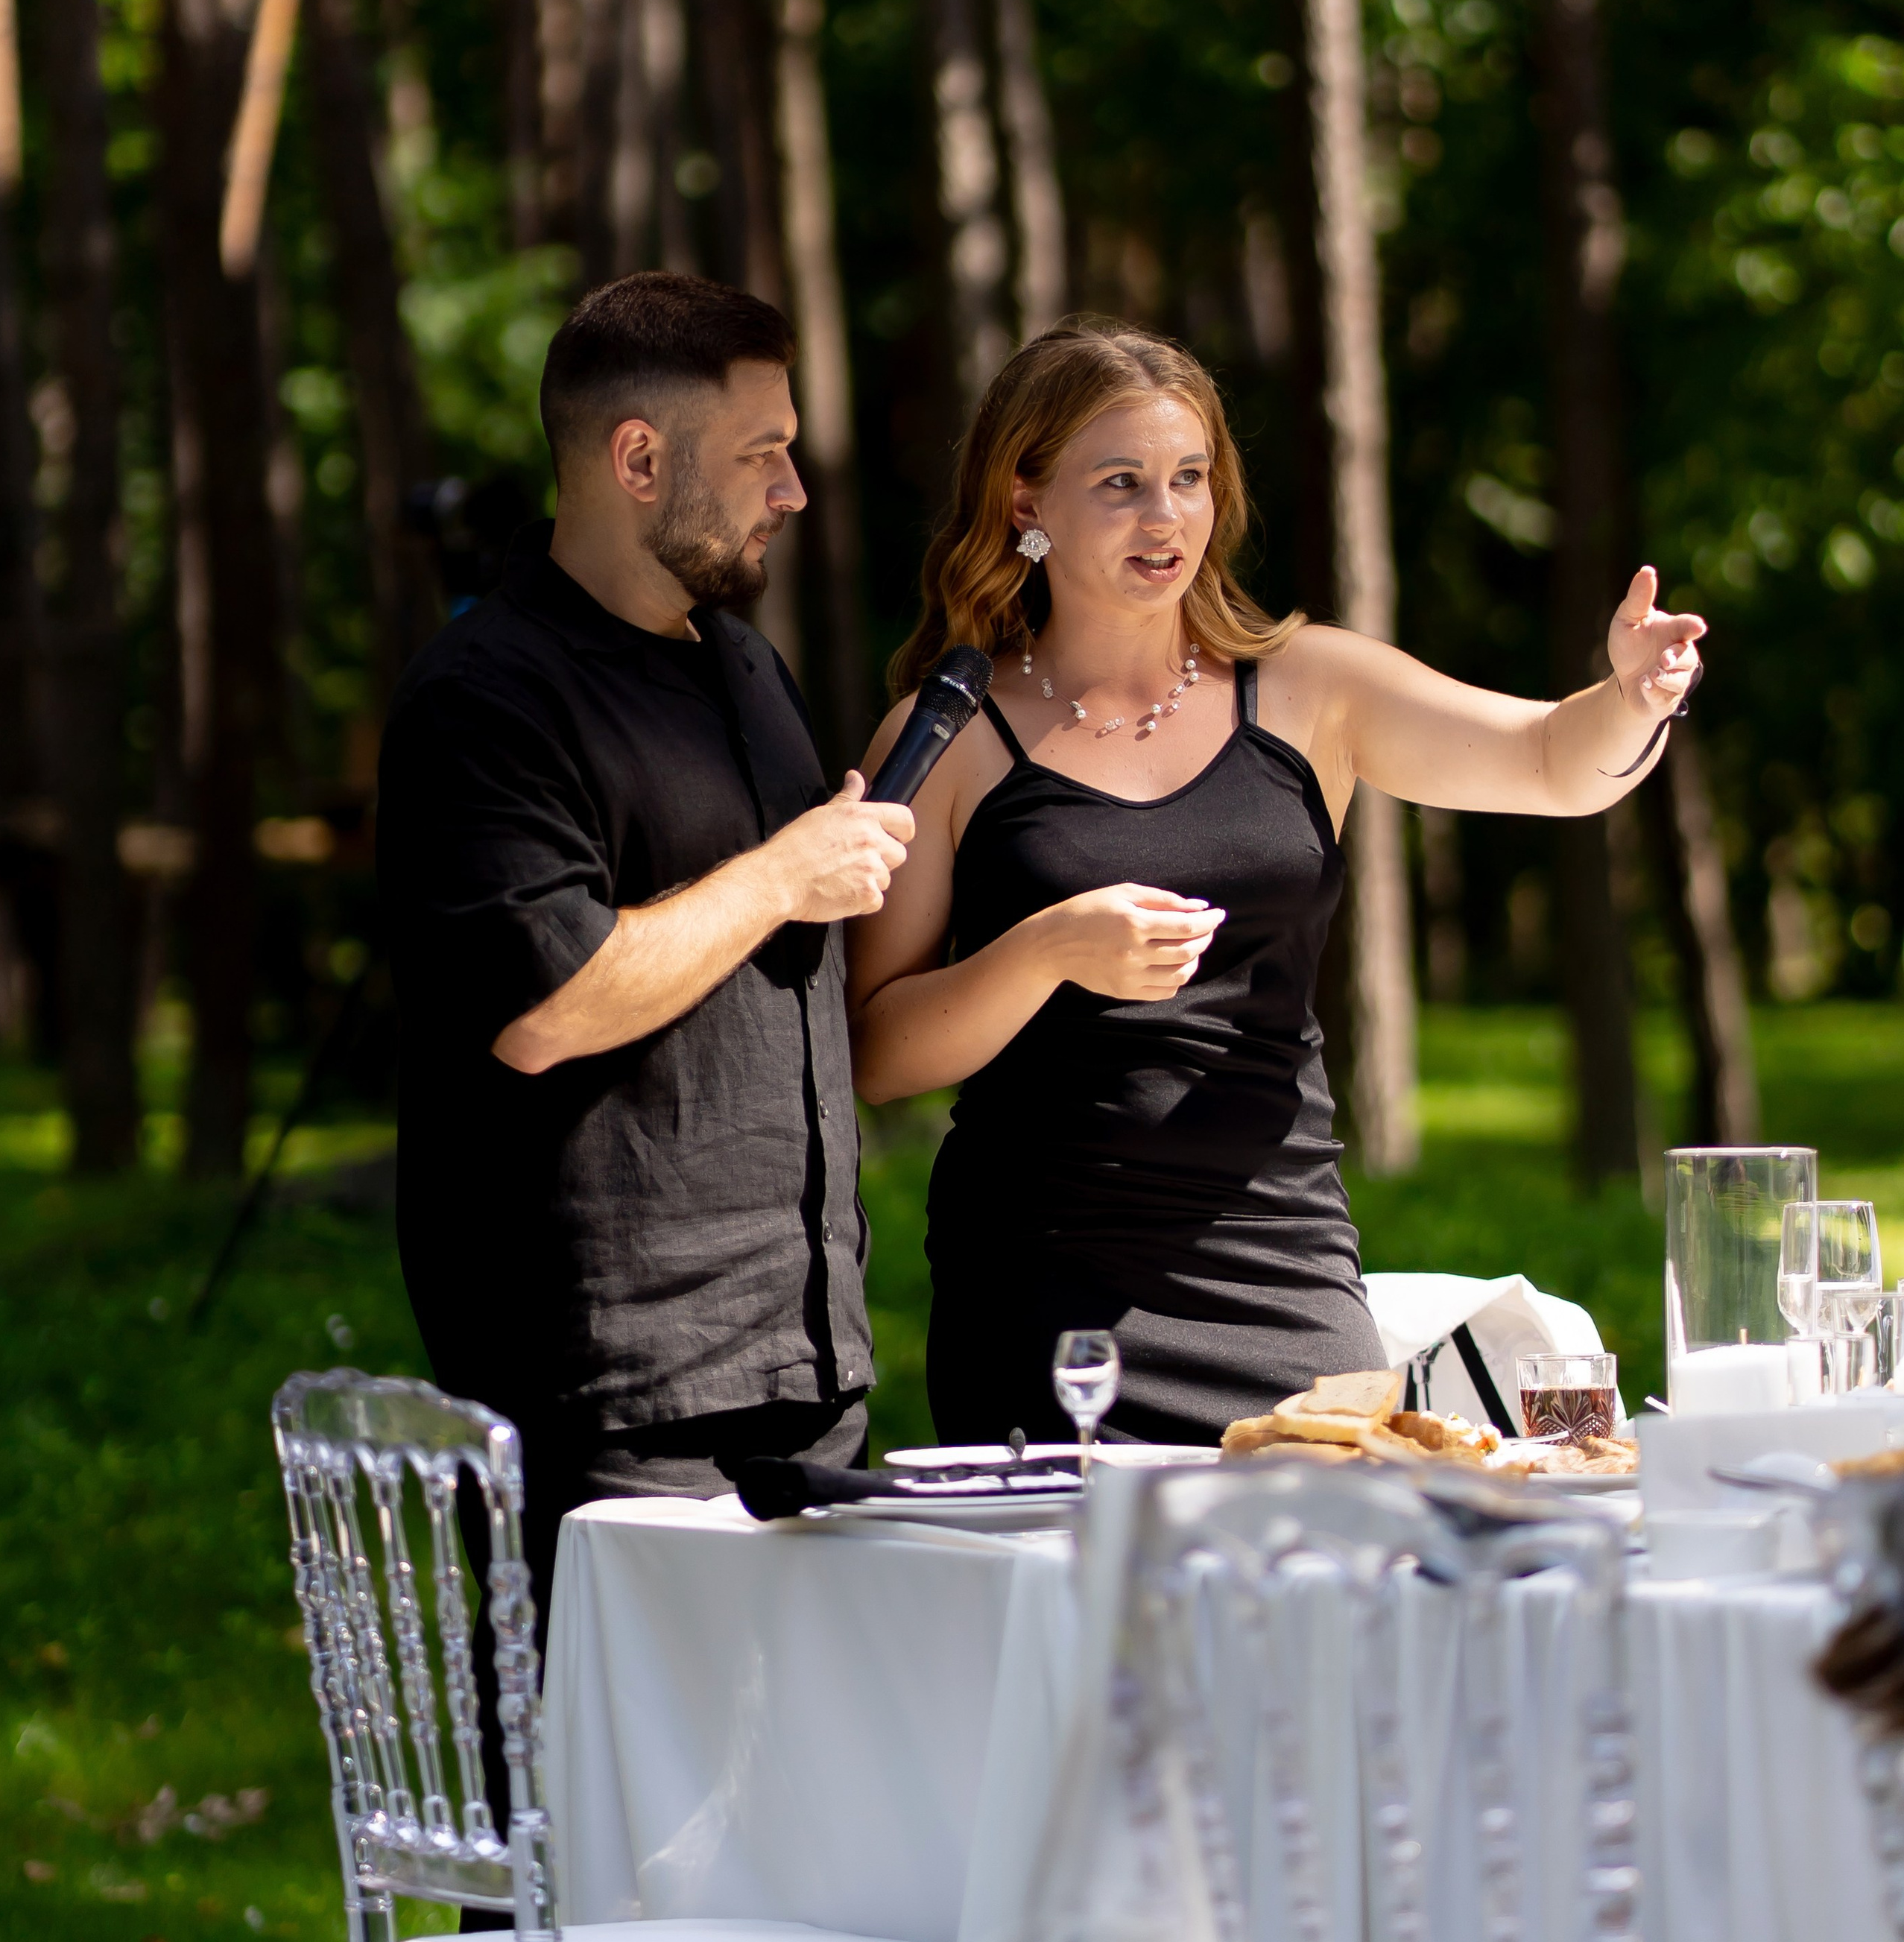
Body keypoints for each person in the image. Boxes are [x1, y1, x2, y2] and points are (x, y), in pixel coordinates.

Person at [847, 317, 1706, 1448]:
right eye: (1123, 483)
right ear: (1025, 501)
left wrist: (1632, 698)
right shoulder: (950, 732)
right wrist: (1042, 953)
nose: (1168, 516)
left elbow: (1549, 760)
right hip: (1050, 1312)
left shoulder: (1308, 686)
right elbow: (872, 1050)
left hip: (1282, 1277)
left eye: (1190, 477)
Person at [378, 266, 912, 1591]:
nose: (792, 490)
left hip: (808, 1375)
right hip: (616, 1410)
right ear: (637, 457)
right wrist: (783, 874)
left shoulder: (740, 660)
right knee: (625, 1803)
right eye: (763, 455)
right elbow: (545, 1004)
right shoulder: (482, 698)